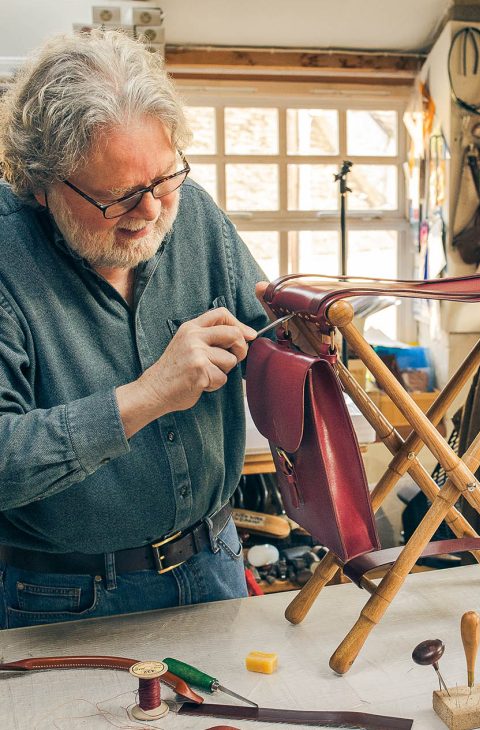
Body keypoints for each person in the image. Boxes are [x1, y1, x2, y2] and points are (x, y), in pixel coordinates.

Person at [0, 30, 273, 628]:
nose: (150, 212)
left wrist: (303, 343)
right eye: (118, 197)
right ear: (41, 186)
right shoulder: (4, 256)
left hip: (215, 560)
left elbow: (263, 337)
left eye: (163, 180)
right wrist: (147, 396)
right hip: (63, 597)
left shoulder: (191, 209)